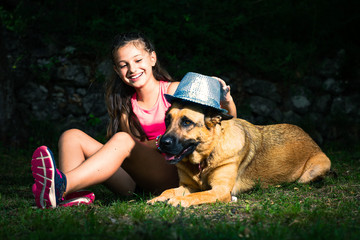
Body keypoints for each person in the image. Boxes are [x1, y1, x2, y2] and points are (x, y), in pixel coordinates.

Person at [31, 32, 237, 208]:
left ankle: (61, 185)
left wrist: (227, 101)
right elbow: (132, 155)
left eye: (138, 60)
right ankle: (67, 195)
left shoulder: (174, 92)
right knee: (71, 136)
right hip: (137, 181)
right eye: (124, 65)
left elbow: (225, 127)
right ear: (116, 71)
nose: (132, 69)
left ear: (152, 59)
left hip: (177, 173)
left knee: (122, 140)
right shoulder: (125, 106)